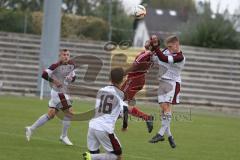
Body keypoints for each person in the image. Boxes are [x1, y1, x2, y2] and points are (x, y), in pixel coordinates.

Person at [25, 49, 76, 146]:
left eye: (68, 55)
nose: (66, 56)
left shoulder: (71, 65)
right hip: (58, 93)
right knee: (69, 113)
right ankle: (63, 136)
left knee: (51, 114)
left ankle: (30, 129)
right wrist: (54, 81)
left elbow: (73, 77)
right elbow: (44, 74)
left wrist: (71, 79)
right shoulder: (55, 66)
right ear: (60, 56)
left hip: (63, 92)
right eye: (64, 54)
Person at [83, 67, 128, 160]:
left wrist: (116, 116)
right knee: (117, 155)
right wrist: (124, 126)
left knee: (95, 151)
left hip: (92, 126)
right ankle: (91, 157)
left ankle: (92, 156)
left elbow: (103, 110)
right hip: (105, 129)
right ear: (123, 80)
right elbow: (125, 110)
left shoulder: (101, 90)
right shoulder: (121, 94)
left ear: (110, 79)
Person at [149, 35, 185, 148]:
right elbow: (155, 57)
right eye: (167, 47)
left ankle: (160, 134)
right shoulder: (166, 50)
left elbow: (163, 59)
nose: (168, 49)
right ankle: (169, 136)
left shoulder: (180, 57)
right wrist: (151, 47)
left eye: (170, 46)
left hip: (173, 83)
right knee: (163, 110)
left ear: (176, 44)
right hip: (162, 82)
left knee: (166, 108)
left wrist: (156, 47)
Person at [121, 35, 160, 133]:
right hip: (139, 79)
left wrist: (121, 74)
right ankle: (146, 118)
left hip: (134, 79)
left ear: (151, 45)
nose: (146, 41)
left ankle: (124, 124)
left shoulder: (146, 54)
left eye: (149, 41)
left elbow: (134, 66)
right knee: (122, 102)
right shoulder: (153, 55)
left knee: (121, 101)